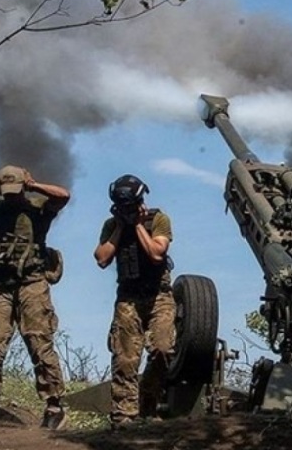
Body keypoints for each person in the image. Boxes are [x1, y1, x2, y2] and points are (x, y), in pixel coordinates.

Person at [0, 165, 69, 430]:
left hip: (32, 283)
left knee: (40, 344)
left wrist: (34, 184)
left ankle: (54, 407)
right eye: (6, 191)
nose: (11, 196)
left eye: (15, 191)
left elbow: (63, 196)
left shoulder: (38, 207)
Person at [93, 174, 175, 429]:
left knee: (163, 349)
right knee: (125, 358)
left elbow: (155, 252)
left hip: (158, 296)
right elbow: (102, 258)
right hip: (128, 297)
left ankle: (148, 399)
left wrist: (138, 225)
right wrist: (120, 227)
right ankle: (123, 416)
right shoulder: (111, 225)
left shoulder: (158, 219)